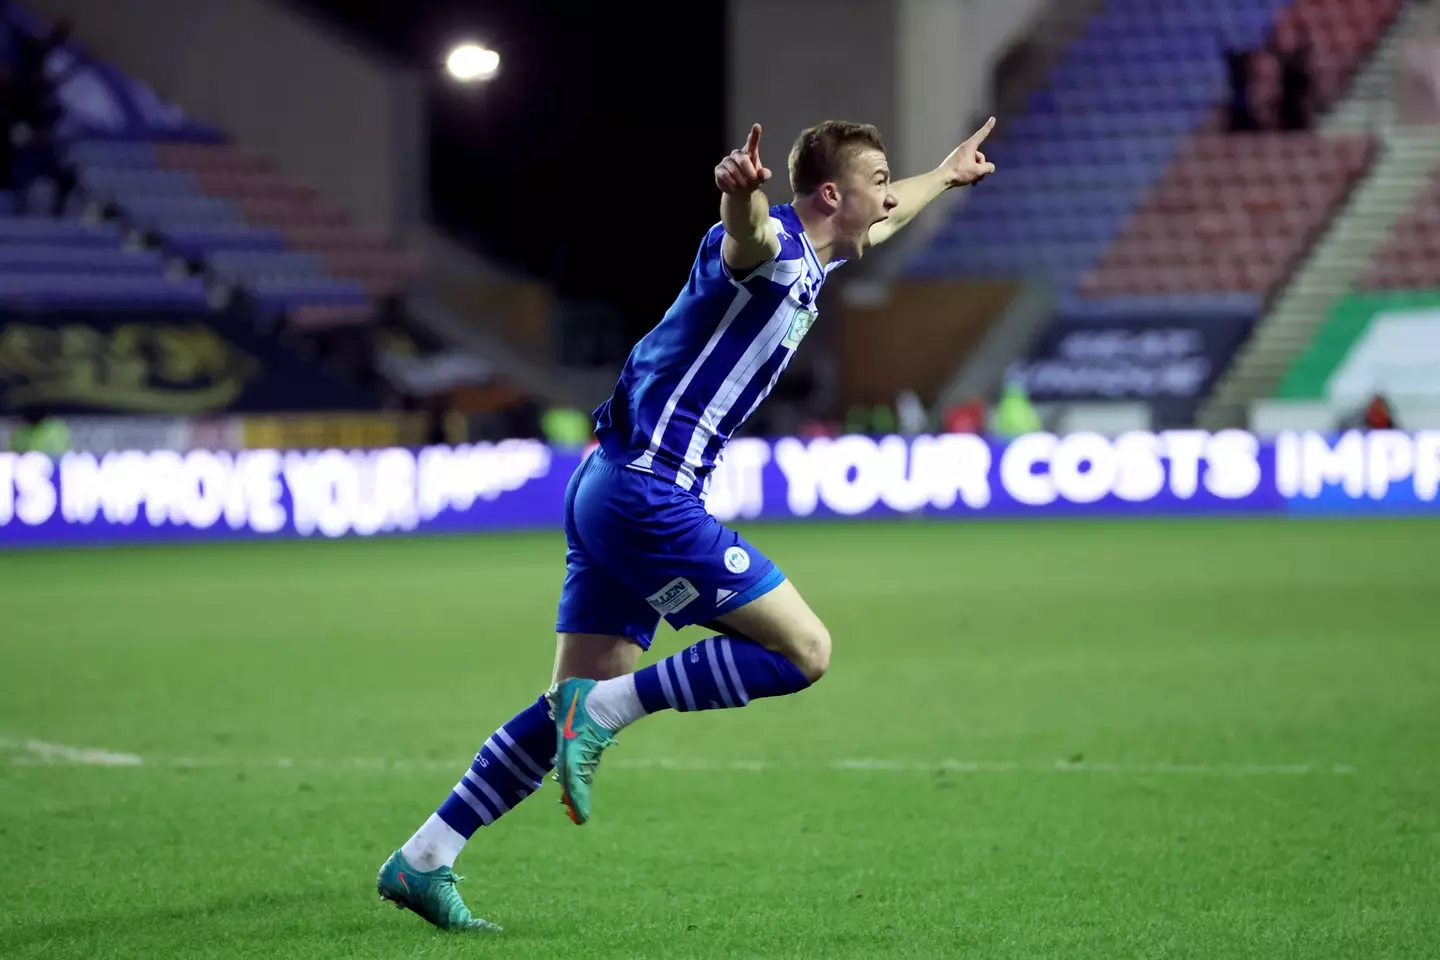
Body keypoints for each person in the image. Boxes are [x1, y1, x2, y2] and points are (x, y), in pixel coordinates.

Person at [374, 116, 998, 932]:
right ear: (832, 194)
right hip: (649, 495)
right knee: (804, 651)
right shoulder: (769, 250)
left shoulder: (820, 257)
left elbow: (887, 217)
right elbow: (747, 241)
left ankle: (424, 858)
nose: (889, 191)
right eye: (878, 176)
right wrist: (739, 199)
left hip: (608, 484)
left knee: (563, 702)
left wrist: (946, 176)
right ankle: (605, 714)